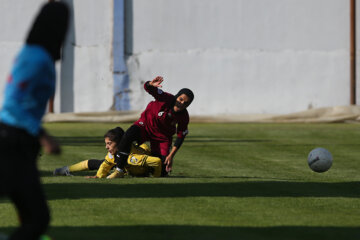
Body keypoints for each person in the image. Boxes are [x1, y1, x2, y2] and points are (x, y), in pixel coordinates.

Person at [0, 2, 69, 240]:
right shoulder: (36, 58)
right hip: (11, 141)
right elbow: (12, 102)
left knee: (35, 218)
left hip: (18, 141)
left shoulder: (33, 55)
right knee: (37, 218)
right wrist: (42, 135)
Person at [108, 76, 194, 178]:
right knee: (128, 135)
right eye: (181, 99)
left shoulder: (184, 117)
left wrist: (170, 156)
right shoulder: (166, 98)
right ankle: (119, 170)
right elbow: (149, 88)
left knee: (162, 171)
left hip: (162, 137)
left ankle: (141, 162)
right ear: (177, 96)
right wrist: (150, 84)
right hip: (145, 126)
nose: (182, 103)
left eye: (186, 103)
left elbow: (180, 137)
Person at [53, 127, 162, 178]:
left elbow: (157, 161)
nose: (106, 147)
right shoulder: (113, 155)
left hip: (137, 163)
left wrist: (156, 177)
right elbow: (104, 166)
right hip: (125, 168)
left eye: (109, 143)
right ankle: (67, 169)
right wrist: (98, 176)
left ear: (119, 143)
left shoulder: (133, 158)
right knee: (97, 163)